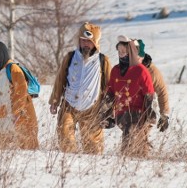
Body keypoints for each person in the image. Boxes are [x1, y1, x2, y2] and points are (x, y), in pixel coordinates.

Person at [49, 23, 112, 154]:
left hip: (92, 108)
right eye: (83, 40)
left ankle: (91, 170)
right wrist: (55, 101)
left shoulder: (102, 60)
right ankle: (67, 165)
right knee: (65, 135)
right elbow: (60, 79)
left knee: (93, 147)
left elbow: (109, 86)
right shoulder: (70, 57)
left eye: (89, 41)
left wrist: (110, 109)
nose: (85, 44)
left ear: (95, 43)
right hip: (69, 106)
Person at [104, 37, 156, 157]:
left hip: (138, 113)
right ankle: (141, 163)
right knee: (137, 144)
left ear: (131, 52)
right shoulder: (115, 70)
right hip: (121, 114)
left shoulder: (141, 70)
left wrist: (150, 114)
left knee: (129, 140)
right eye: (119, 52)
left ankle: (127, 162)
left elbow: (149, 94)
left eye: (125, 52)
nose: (121, 55)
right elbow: (110, 92)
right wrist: (106, 114)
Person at [0, 41, 39, 150]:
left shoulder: (13, 69)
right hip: (2, 117)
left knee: (28, 149)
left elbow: (21, 91)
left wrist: (16, 113)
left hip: (19, 116)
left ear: (1, 54)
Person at [117, 35, 171, 135]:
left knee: (138, 139)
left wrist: (165, 115)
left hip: (145, 112)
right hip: (127, 113)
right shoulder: (127, 67)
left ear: (141, 56)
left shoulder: (152, 72)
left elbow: (162, 92)